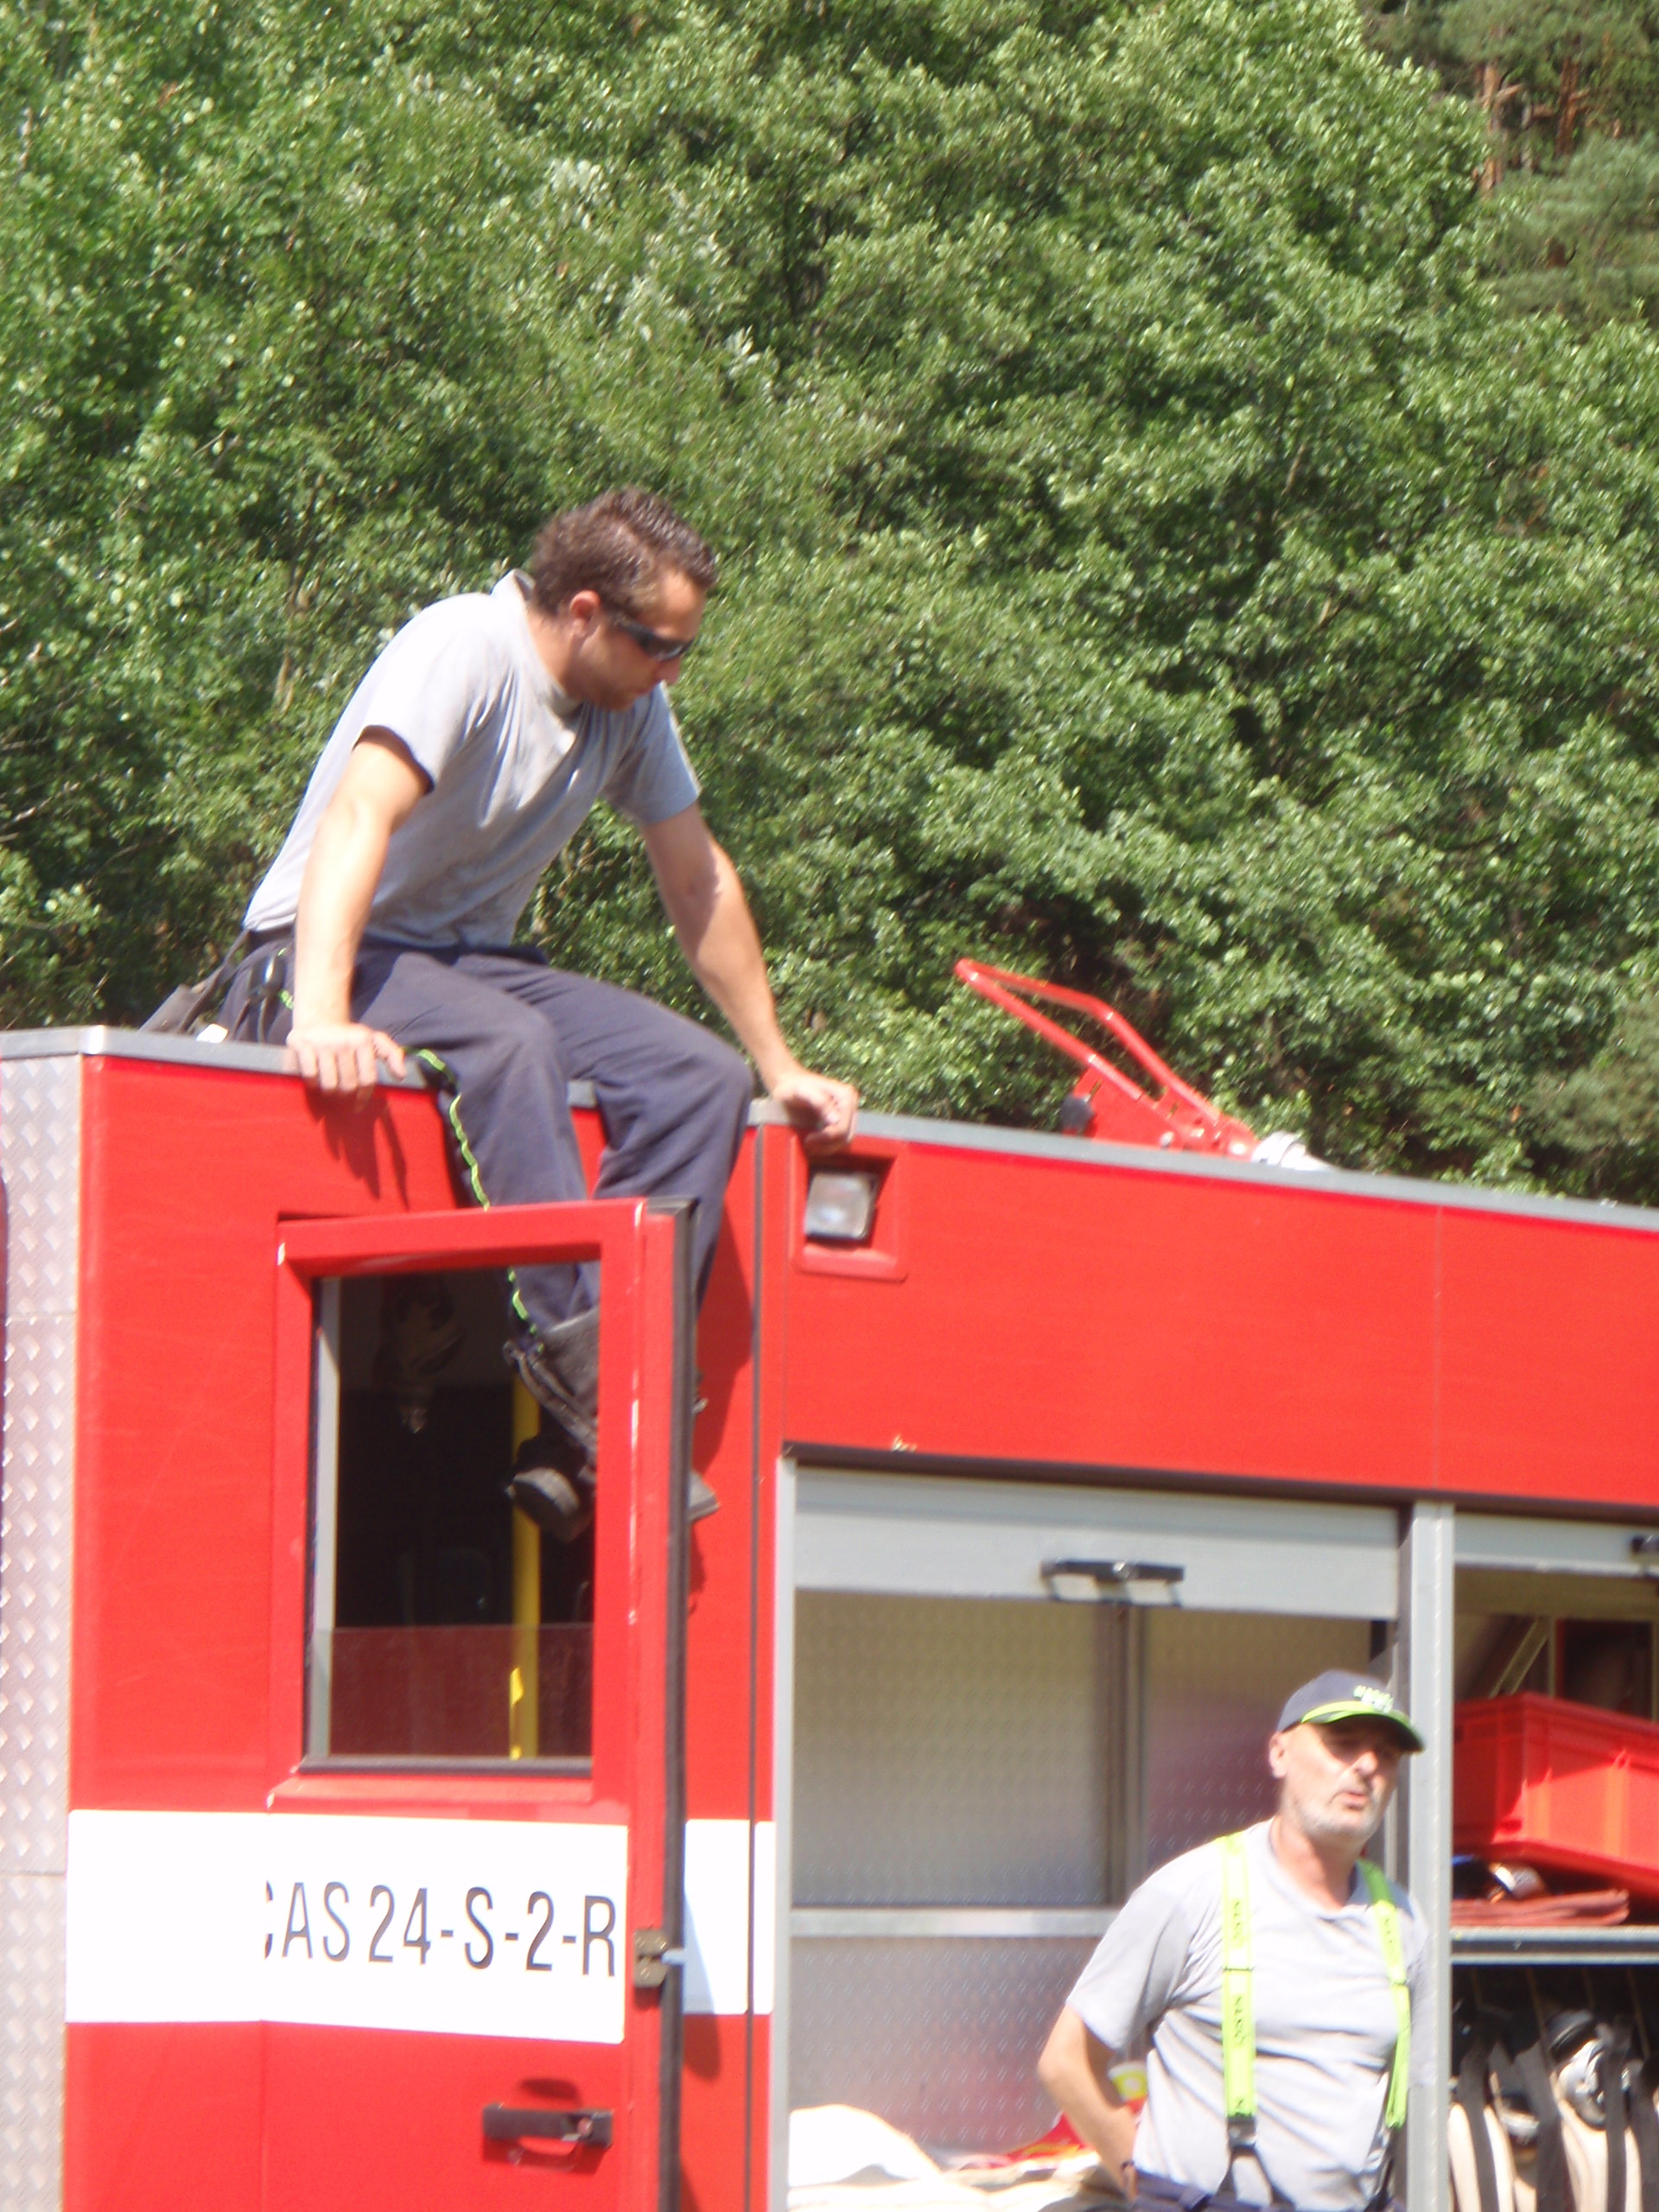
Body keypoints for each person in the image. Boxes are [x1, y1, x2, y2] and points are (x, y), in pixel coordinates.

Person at [226, 488, 858, 1529]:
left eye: (685, 650)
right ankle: (601, 1401)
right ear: (584, 612)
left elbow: (696, 878)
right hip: (326, 951)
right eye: (661, 647)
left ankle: (593, 1421)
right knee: (511, 1046)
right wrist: (321, 1013)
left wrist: (779, 1064)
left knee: (699, 1078)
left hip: (469, 963)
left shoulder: (632, 708)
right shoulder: (463, 649)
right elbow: (358, 815)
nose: (672, 671)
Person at [1038, 1671, 1432, 2212]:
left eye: (1386, 1755)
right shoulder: (1191, 1893)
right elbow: (1067, 2061)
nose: (1366, 1766)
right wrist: (1143, 2184)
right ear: (1279, 1753)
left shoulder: (1403, 1920)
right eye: (1342, 1743)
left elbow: (1419, 2095)